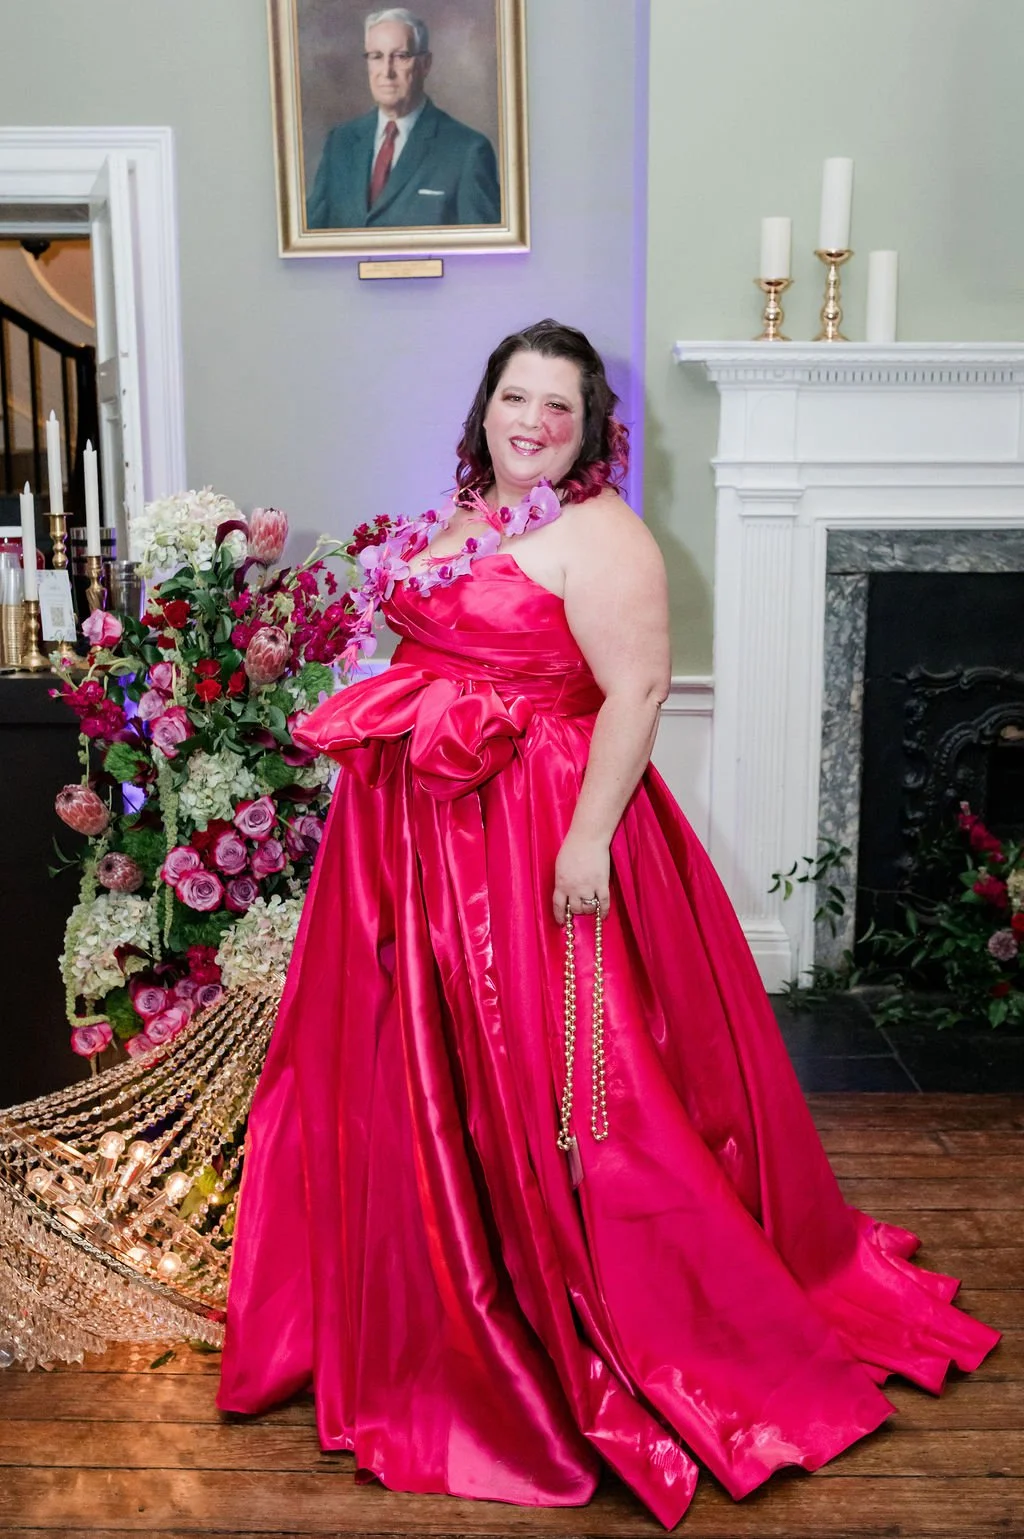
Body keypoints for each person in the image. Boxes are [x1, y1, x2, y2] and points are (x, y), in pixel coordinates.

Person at [217, 320, 1000, 1528]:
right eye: (514, 397)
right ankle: (436, 1275)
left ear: (590, 431)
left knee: (564, 1076)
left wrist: (585, 839)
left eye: (558, 407)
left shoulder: (604, 534)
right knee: (419, 1067)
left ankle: (568, 1298)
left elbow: (636, 688)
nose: (531, 421)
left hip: (532, 822)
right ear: (484, 406)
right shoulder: (466, 516)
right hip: (416, 834)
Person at [306, 7, 501, 230]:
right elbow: (313, 237)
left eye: (401, 56)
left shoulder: (468, 151)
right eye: (376, 56)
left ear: (425, 64)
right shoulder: (340, 143)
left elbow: (484, 248)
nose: (387, 71)